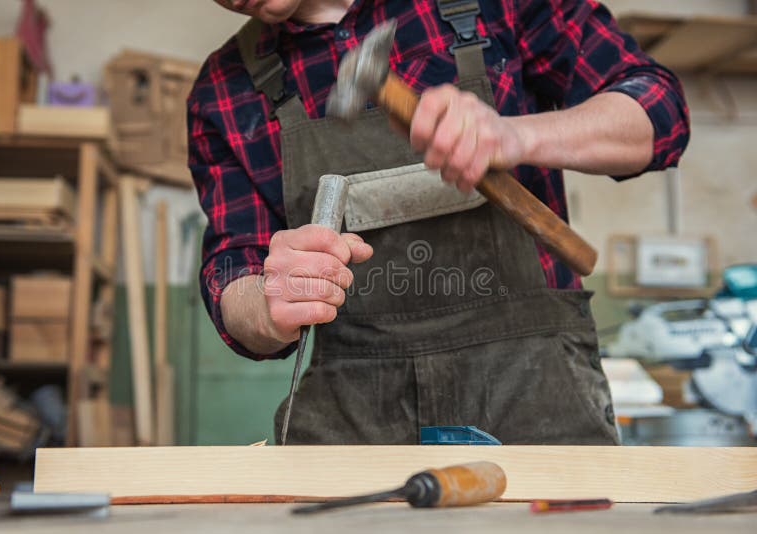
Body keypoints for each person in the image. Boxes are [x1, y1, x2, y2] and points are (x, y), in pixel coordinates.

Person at [188, 0, 690, 444]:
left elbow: (658, 113)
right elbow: (235, 270)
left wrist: (518, 136)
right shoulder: (223, 90)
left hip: (536, 384)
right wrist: (269, 304)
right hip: (357, 407)